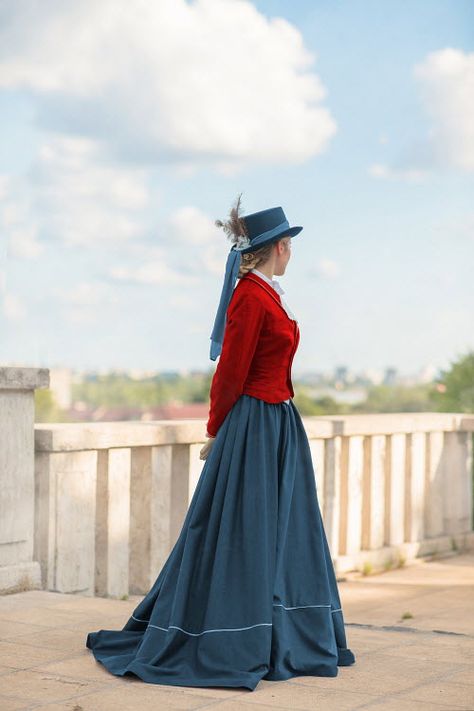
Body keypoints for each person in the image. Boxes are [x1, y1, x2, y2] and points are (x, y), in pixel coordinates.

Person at [85, 195, 356, 691]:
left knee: (284, 529)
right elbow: (230, 372)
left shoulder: (268, 294)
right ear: (277, 248)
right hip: (254, 425)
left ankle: (281, 632)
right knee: (243, 532)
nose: (291, 253)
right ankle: (238, 636)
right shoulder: (250, 297)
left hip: (278, 424)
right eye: (288, 245)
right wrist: (217, 429)